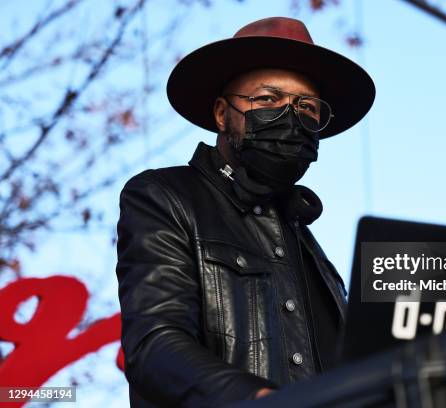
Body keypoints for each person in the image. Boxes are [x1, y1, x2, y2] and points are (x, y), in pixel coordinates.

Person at [115, 16, 375, 407]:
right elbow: (155, 345)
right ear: (222, 114)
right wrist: (257, 399)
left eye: (307, 107)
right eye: (268, 99)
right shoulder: (165, 196)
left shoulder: (316, 256)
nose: (291, 117)